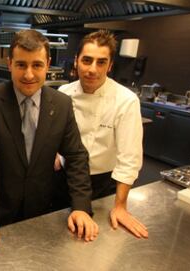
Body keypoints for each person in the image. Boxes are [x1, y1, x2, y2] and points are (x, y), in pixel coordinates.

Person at [0, 29, 98, 260]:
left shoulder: (62, 104)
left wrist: (80, 207)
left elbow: (76, 156)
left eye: (36, 65)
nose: (28, 74)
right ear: (10, 64)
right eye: (21, 65)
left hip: (44, 206)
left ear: (47, 64)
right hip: (1, 207)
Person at [56, 30, 148, 239]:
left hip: (103, 182)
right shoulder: (63, 93)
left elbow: (129, 158)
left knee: (96, 240)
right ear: (76, 61)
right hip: (63, 178)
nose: (92, 69)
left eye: (101, 62)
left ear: (110, 65)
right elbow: (54, 134)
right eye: (87, 60)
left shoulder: (126, 100)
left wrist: (121, 206)